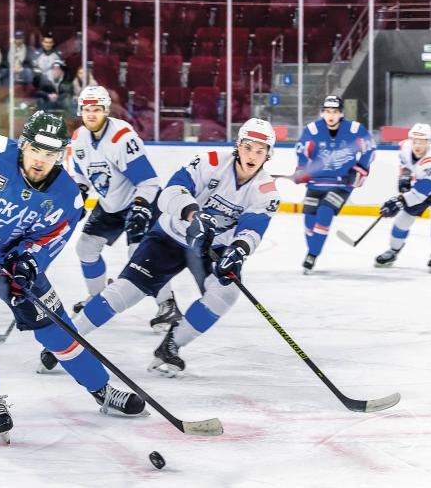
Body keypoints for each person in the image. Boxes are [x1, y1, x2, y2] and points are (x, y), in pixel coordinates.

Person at [0, 111, 147, 442]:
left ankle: (102, 389)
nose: (41, 160)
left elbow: (49, 241)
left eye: (50, 154)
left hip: (8, 260)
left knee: (56, 328)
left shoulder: (68, 197)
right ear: (23, 144)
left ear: (61, 153)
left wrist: (29, 264)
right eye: (36, 150)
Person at [68, 119, 281, 377]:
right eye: (248, 147)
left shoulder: (267, 190)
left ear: (268, 154)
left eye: (261, 150)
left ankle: (171, 345)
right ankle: (68, 338)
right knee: (127, 292)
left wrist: (238, 251)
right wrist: (194, 215)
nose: (253, 155)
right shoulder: (211, 160)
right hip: (170, 236)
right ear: (238, 145)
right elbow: (171, 191)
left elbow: (253, 227)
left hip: (211, 248)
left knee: (226, 293)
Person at [58, 86, 174, 334]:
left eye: (97, 109)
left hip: (139, 199)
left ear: (106, 110)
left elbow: (149, 182)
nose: (91, 114)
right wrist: (78, 193)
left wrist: (141, 209)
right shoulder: (78, 138)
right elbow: (82, 174)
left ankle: (168, 305)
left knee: (141, 254)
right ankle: (97, 296)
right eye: (87, 109)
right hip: (110, 202)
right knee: (85, 247)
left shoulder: (122, 137)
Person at [291, 95, 375, 274]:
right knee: (309, 220)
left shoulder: (355, 129)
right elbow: (301, 152)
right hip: (316, 182)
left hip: (342, 183)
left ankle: (312, 255)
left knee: (325, 212)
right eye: (327, 111)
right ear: (322, 113)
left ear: (341, 113)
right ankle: (312, 251)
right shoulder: (312, 129)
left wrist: (360, 169)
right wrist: (301, 169)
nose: (331, 115)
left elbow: (370, 149)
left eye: (335, 112)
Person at [374, 123, 431, 269]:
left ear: (429, 142)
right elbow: (405, 165)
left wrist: (399, 200)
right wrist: (404, 178)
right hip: (420, 188)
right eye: (415, 141)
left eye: (422, 141)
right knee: (402, 222)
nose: (417, 145)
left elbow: (422, 190)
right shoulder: (405, 147)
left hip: (425, 187)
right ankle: (393, 251)